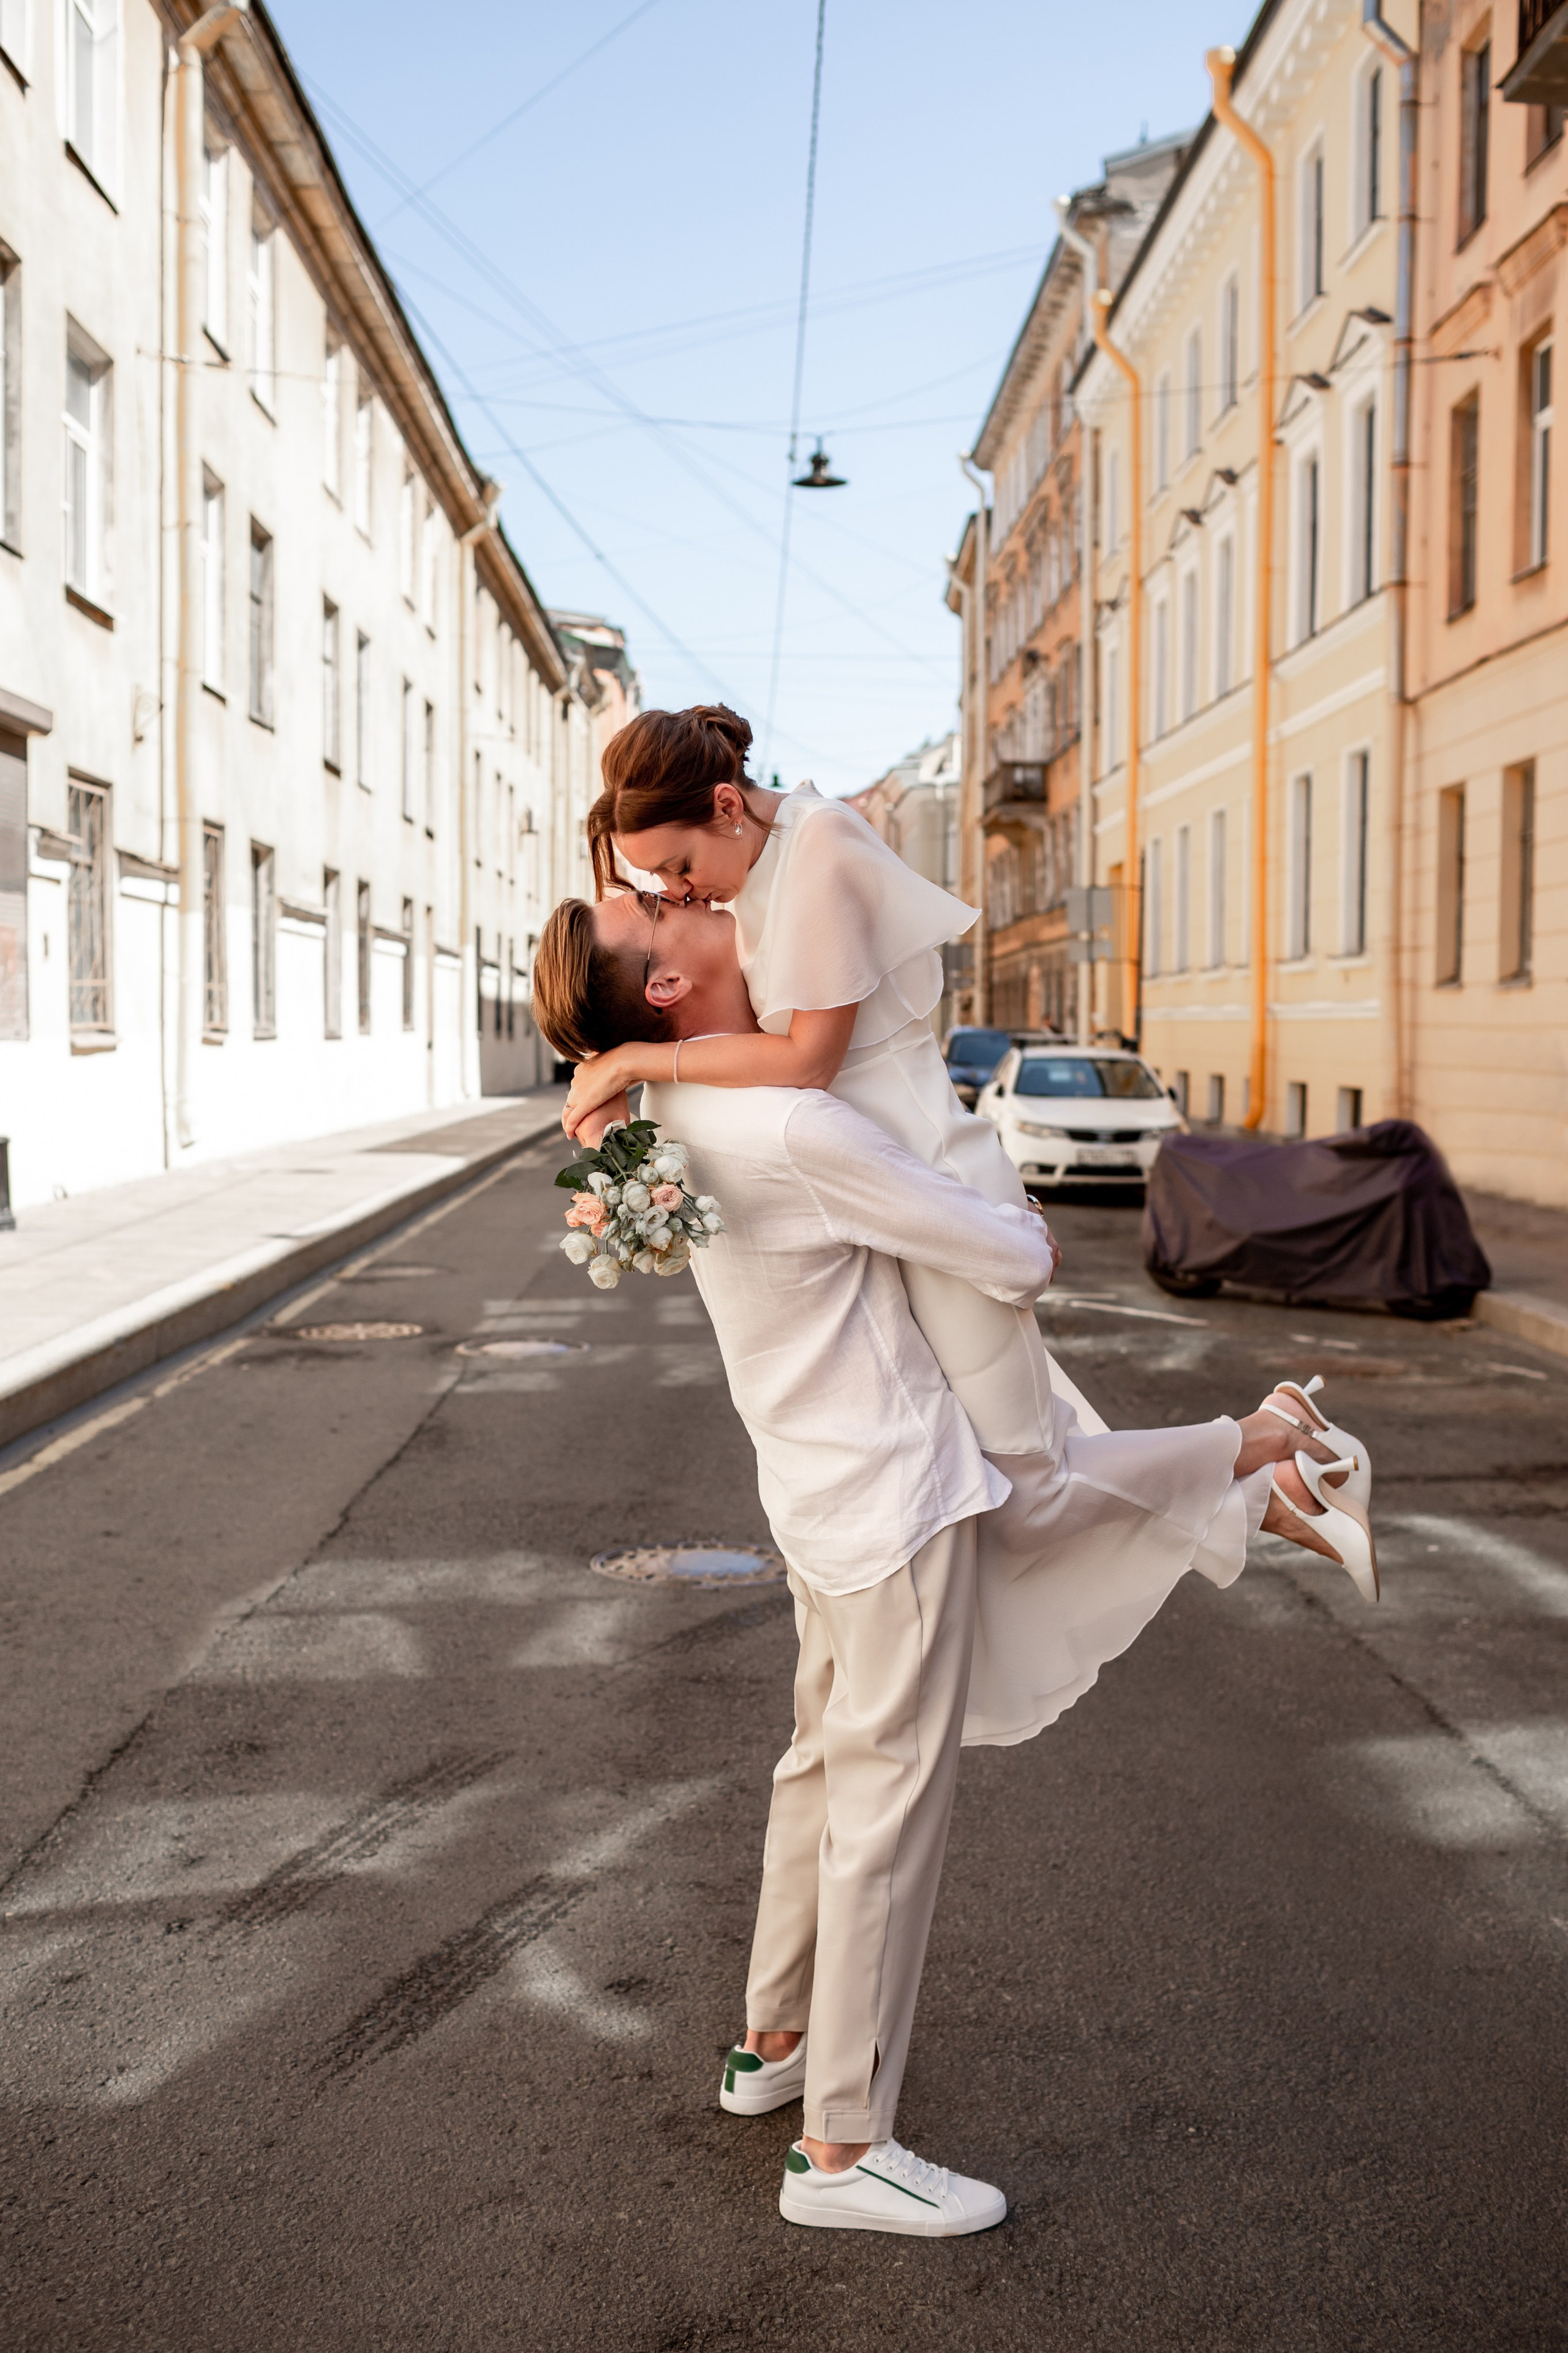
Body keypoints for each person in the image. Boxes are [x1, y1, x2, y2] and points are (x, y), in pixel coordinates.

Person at [530, 888, 1378, 2238]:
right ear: (666, 988)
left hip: (814, 1496)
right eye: (668, 911)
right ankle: (842, 2148)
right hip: (892, 1503)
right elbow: (1013, 1254)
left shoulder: (669, 1114)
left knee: (819, 1772)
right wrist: (1000, 1207)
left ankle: (774, 2042)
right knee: (885, 1821)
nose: (702, 904)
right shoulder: (792, 1124)